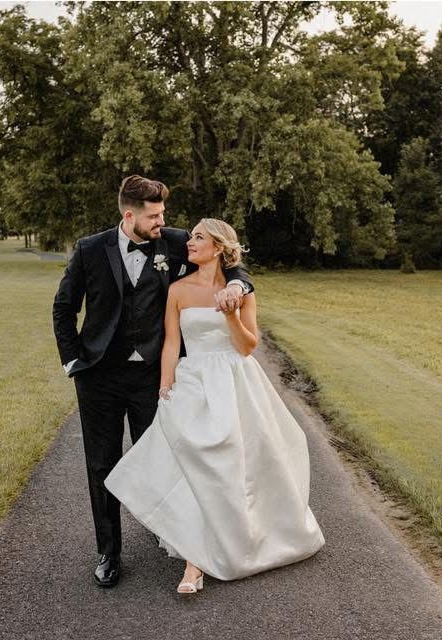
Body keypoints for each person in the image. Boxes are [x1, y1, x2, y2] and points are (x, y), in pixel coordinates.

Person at [52, 176, 254, 588]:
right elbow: (63, 306)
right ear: (130, 215)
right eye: (154, 215)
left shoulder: (175, 241)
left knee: (166, 457)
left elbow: (229, 257)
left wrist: (237, 283)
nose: (163, 221)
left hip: (153, 377)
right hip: (100, 378)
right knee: (102, 463)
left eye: (163, 213)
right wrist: (73, 360)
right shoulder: (91, 250)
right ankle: (109, 551)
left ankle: (171, 532)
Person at [105, 218, 325, 593]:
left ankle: (240, 537)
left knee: (235, 464)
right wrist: (165, 386)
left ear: (219, 247)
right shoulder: (177, 290)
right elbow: (172, 342)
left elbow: (247, 346)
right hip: (193, 381)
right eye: (190, 236)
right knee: (195, 461)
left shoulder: (240, 291)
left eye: (198, 237)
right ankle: (195, 562)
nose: (189, 242)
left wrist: (231, 314)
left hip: (236, 382)